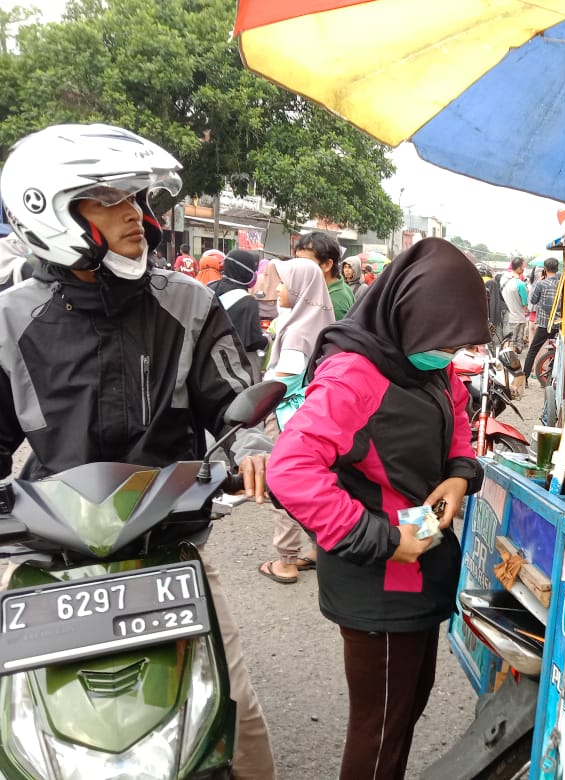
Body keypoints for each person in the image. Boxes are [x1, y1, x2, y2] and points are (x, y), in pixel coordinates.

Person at [0, 123, 275, 778]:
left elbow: (234, 402)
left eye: (137, 200)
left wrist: (256, 446)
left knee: (238, 721)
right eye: (109, 200)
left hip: (165, 545)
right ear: (51, 211)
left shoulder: (190, 302)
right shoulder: (10, 319)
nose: (137, 217)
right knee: (16, 723)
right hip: (45, 550)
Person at [265, 237, 491, 780]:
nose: (450, 351)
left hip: (421, 561)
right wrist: (385, 539)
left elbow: (457, 418)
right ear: (406, 311)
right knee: (379, 730)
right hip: (378, 578)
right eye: (444, 338)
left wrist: (460, 476)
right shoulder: (355, 375)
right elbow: (289, 471)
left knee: (408, 706)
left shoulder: (426, 364)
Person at [257, 258, 335, 584]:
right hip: (314, 417)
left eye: (284, 284)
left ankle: (286, 560)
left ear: (301, 289)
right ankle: (318, 549)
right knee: (315, 483)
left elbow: (282, 382)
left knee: (283, 488)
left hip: (287, 416)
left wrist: (255, 394)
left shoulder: (298, 332)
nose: (277, 289)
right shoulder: (320, 322)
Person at [211, 249, 268, 379]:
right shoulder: (248, 301)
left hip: (210, 360)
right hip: (235, 366)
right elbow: (253, 341)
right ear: (245, 270)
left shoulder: (210, 287)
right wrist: (268, 339)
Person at [294, 231, 355, 319]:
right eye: (296, 260)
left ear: (327, 265)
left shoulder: (331, 304)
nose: (297, 267)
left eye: (305, 262)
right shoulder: (338, 287)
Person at [522, 257, 562, 382]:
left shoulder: (541, 283)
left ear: (545, 269)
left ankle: (525, 378)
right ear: (557, 268)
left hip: (545, 323)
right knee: (561, 350)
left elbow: (533, 300)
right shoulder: (563, 283)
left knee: (533, 350)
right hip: (559, 323)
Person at [499, 256, 529, 350]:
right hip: (518, 318)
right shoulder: (520, 284)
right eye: (523, 267)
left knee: (508, 342)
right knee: (517, 344)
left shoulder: (503, 279)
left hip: (507, 317)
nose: (524, 269)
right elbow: (525, 304)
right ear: (519, 267)